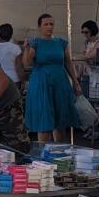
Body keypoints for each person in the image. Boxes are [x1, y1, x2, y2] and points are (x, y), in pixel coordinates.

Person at [23, 13, 81, 144]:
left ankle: (59, 152)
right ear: (40, 27)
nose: (49, 27)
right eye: (46, 24)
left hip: (60, 82)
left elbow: (68, 62)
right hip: (41, 83)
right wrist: (26, 49)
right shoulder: (35, 43)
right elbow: (27, 63)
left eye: (51, 24)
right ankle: (43, 154)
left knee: (60, 120)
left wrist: (76, 82)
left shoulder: (61, 43)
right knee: (44, 120)